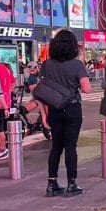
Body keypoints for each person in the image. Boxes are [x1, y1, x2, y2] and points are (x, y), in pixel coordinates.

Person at [39, 29, 91, 196]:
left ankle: (51, 184)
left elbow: (43, 91)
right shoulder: (77, 65)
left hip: (54, 109)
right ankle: (71, 183)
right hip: (72, 108)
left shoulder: (47, 65)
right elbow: (87, 89)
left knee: (56, 147)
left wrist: (44, 116)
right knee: (70, 146)